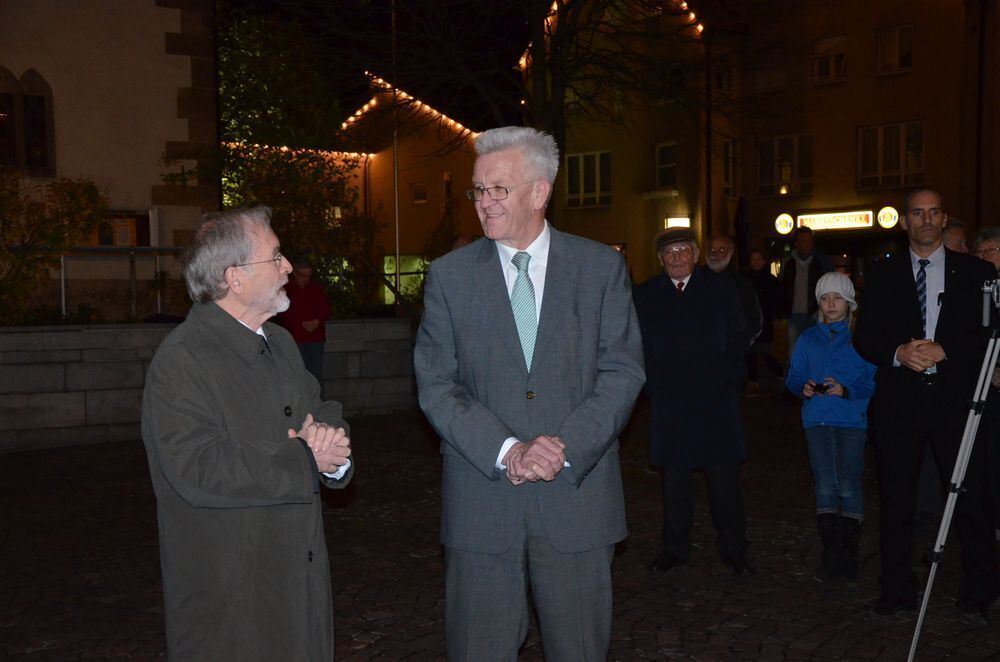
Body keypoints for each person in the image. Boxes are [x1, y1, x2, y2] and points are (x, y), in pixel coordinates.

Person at [413, 126, 645, 661]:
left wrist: (563, 445)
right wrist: (508, 450)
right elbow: (436, 384)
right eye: (478, 190)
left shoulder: (600, 268)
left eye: (499, 190)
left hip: (576, 500)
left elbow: (622, 372)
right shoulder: (449, 278)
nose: (484, 203)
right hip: (481, 500)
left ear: (540, 192)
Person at [141, 207, 354, 660]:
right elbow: (196, 469)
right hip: (235, 610)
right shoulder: (182, 361)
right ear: (234, 277)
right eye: (275, 258)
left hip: (300, 588)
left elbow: (319, 406)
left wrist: (333, 441)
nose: (288, 268)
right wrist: (304, 459)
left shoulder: (278, 342)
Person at [854, 188, 999, 620]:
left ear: (944, 218)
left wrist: (946, 350)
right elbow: (864, 336)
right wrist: (898, 353)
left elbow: (990, 333)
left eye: (935, 211)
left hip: (957, 401)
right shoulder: (881, 273)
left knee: (971, 496)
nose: (927, 220)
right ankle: (896, 589)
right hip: (900, 402)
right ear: (905, 221)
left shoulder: (975, 272)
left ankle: (979, 591)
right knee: (896, 498)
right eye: (918, 212)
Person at [634, 227, 754, 576]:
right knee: (674, 483)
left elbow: (738, 337)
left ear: (696, 254)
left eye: (683, 250)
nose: (677, 258)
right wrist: (653, 386)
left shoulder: (719, 289)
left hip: (716, 402)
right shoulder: (647, 295)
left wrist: (729, 379)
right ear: (660, 259)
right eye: (669, 253)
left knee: (724, 483)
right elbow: (637, 345)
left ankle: (734, 549)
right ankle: (675, 548)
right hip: (671, 404)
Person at [785, 272, 876, 583]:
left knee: (849, 483)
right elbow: (794, 377)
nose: (831, 304)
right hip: (817, 420)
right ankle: (831, 551)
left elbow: (873, 380)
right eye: (825, 298)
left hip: (850, 419)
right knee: (825, 484)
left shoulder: (861, 339)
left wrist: (846, 389)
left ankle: (849, 551)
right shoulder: (808, 338)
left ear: (849, 302)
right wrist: (804, 388)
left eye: (837, 298)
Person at [277, 257, 331, 388]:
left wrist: (316, 322)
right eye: (303, 275)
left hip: (314, 339)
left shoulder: (316, 288)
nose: (306, 279)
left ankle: (318, 406)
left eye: (309, 276)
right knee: (296, 375)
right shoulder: (286, 289)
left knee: (315, 376)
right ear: (295, 273)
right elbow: (281, 313)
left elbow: (326, 309)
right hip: (294, 338)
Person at [706, 234, 763, 353]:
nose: (715, 254)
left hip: (733, 351)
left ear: (730, 253)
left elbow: (754, 315)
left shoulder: (741, 283)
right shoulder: (696, 280)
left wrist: (744, 341)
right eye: (712, 250)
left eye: (721, 250)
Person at [782, 226, 831, 354]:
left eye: (809, 241)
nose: (807, 245)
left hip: (813, 315)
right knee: (794, 352)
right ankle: (795, 374)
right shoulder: (789, 264)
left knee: (814, 351)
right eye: (803, 241)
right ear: (796, 244)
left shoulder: (819, 263)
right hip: (794, 317)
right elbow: (783, 288)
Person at [745, 250, 784, 386]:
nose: (755, 262)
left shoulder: (771, 280)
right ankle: (753, 380)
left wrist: (778, 316)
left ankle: (780, 372)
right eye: (753, 259)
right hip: (749, 321)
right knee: (750, 352)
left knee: (765, 352)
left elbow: (779, 299)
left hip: (766, 321)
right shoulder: (746, 280)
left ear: (764, 261)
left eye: (758, 259)